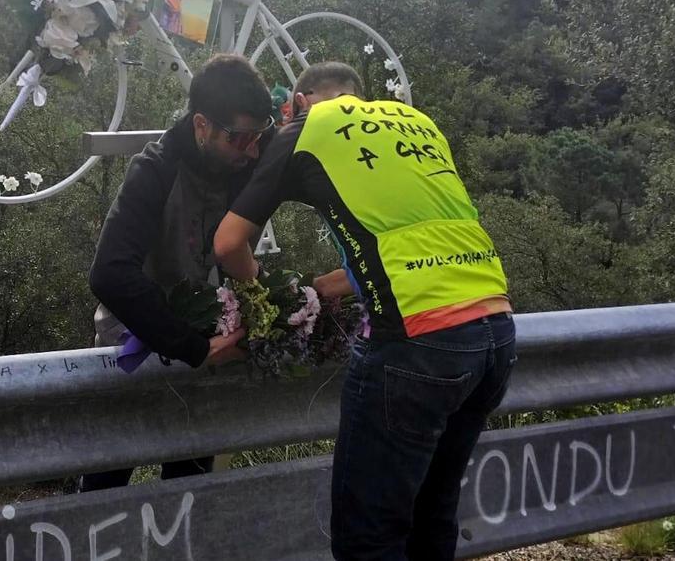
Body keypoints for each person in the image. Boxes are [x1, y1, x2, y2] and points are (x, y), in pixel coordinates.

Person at [213, 62, 516, 560]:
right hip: (494, 332)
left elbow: (228, 243)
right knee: (432, 515)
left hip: (415, 343)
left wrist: (265, 304)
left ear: (299, 102)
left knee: (368, 539)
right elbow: (405, 241)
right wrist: (321, 288)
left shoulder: (306, 129)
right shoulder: (415, 121)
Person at [81, 53, 274, 492]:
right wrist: (195, 347)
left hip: (203, 339)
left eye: (258, 137)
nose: (253, 151)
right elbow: (109, 274)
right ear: (202, 125)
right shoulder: (154, 170)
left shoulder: (241, 164)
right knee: (106, 486)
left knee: (190, 485)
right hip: (131, 344)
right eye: (240, 139)